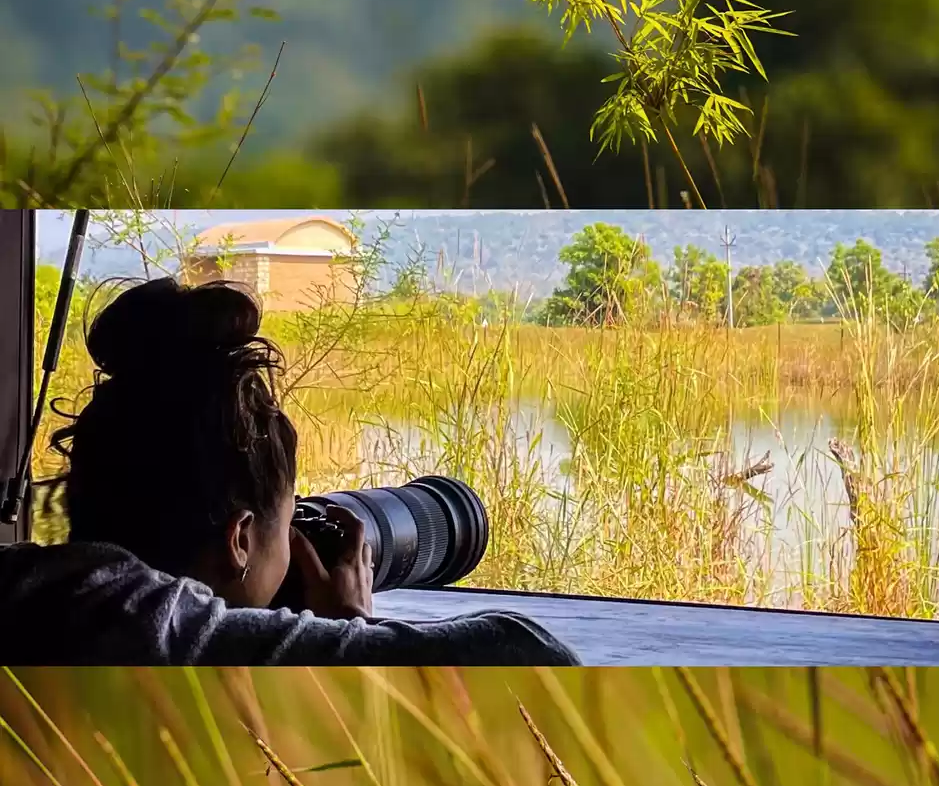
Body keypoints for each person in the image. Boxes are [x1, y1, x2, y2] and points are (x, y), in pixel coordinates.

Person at [0, 277, 580, 666]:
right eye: (286, 529)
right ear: (240, 539)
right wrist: (354, 627)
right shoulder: (156, 631)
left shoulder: (29, 590)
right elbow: (527, 651)